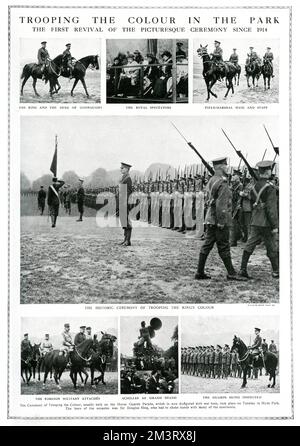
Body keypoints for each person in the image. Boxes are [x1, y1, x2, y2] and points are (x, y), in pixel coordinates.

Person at [195, 157, 245, 281]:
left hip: (210, 219)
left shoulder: (212, 180)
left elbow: (210, 200)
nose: (227, 167)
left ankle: (199, 272)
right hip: (218, 220)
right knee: (224, 246)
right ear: (221, 167)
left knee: (207, 245)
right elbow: (221, 205)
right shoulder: (221, 183)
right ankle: (231, 273)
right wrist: (222, 221)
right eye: (225, 165)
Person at [239, 160, 279, 279]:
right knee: (271, 246)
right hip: (266, 222)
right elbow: (271, 209)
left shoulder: (253, 186)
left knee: (249, 244)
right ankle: (276, 271)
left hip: (255, 220)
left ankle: (243, 269)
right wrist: (275, 225)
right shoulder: (270, 187)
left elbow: (251, 201)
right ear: (267, 171)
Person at [118, 162, 133, 246]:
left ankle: (128, 240)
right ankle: (125, 239)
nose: (121, 169)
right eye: (121, 168)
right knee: (123, 221)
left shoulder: (128, 178)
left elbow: (129, 192)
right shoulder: (123, 178)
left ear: (127, 169)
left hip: (125, 202)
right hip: (122, 201)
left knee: (127, 221)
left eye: (122, 168)